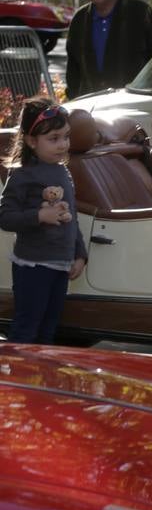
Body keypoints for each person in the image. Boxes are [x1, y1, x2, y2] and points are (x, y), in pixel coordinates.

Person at [0, 100, 88, 344]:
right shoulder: (22, 175)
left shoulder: (63, 172)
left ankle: (42, 377)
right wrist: (39, 216)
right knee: (26, 329)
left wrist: (80, 254)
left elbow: (72, 220)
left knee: (48, 330)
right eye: (54, 138)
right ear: (31, 141)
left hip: (60, 266)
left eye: (66, 137)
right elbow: (5, 217)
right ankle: (16, 379)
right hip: (33, 267)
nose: (63, 145)